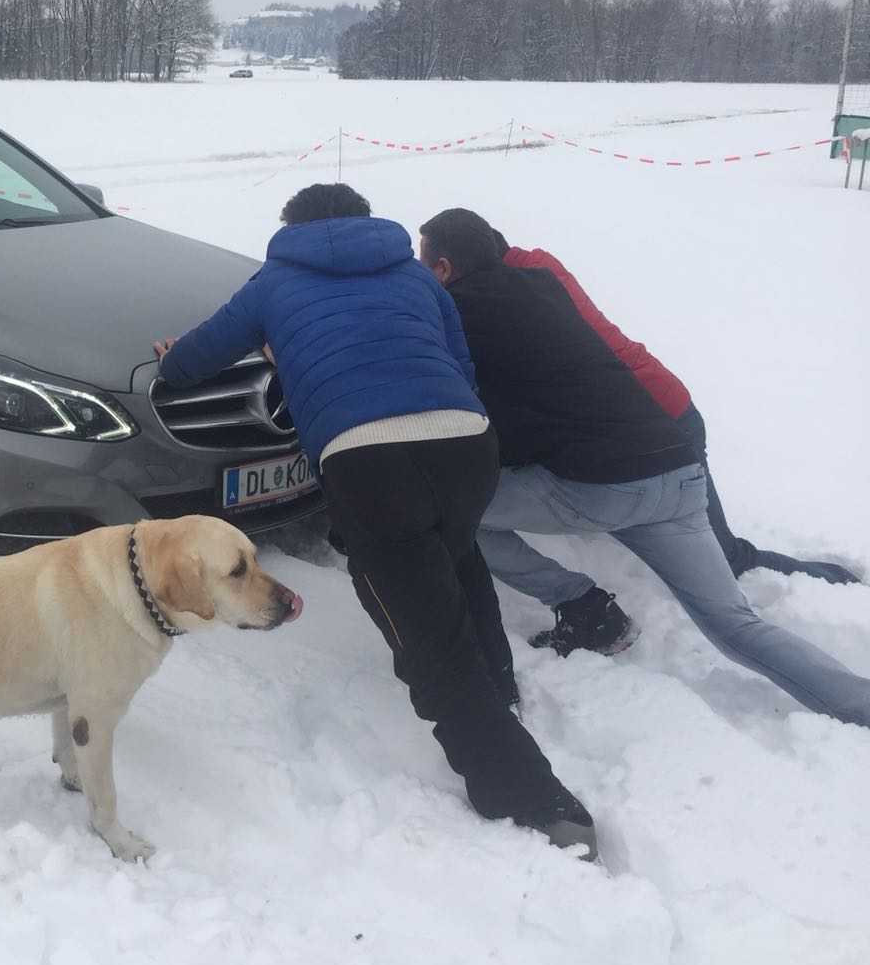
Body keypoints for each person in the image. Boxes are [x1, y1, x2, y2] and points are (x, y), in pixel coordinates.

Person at [156, 183, 597, 858]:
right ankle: (497, 688)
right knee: (456, 555)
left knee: (428, 641)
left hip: (369, 463)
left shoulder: (274, 281)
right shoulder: (415, 276)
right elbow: (461, 363)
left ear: (292, 227)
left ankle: (534, 802)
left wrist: (180, 358)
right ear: (366, 221)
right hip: (466, 444)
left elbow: (193, 360)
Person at [418, 208, 870, 727]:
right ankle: (858, 703)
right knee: (736, 626)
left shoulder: (457, 315)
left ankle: (579, 601)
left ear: (445, 268)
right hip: (678, 472)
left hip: (605, 487)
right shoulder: (544, 286)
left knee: (453, 512)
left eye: (423, 262)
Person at [495, 230, 857, 619]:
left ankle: (841, 587)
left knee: (727, 557)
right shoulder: (536, 269)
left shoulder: (520, 293)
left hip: (661, 428)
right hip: (654, 417)